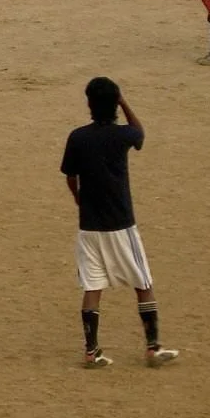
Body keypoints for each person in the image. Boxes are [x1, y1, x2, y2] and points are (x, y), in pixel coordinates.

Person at [60, 77, 179, 369]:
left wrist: (79, 200)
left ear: (89, 103)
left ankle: (92, 351)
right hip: (121, 224)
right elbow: (139, 133)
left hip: (89, 226)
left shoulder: (77, 137)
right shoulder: (122, 136)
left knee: (92, 286)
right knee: (142, 282)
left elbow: (70, 177)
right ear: (114, 104)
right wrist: (124, 101)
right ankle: (152, 347)